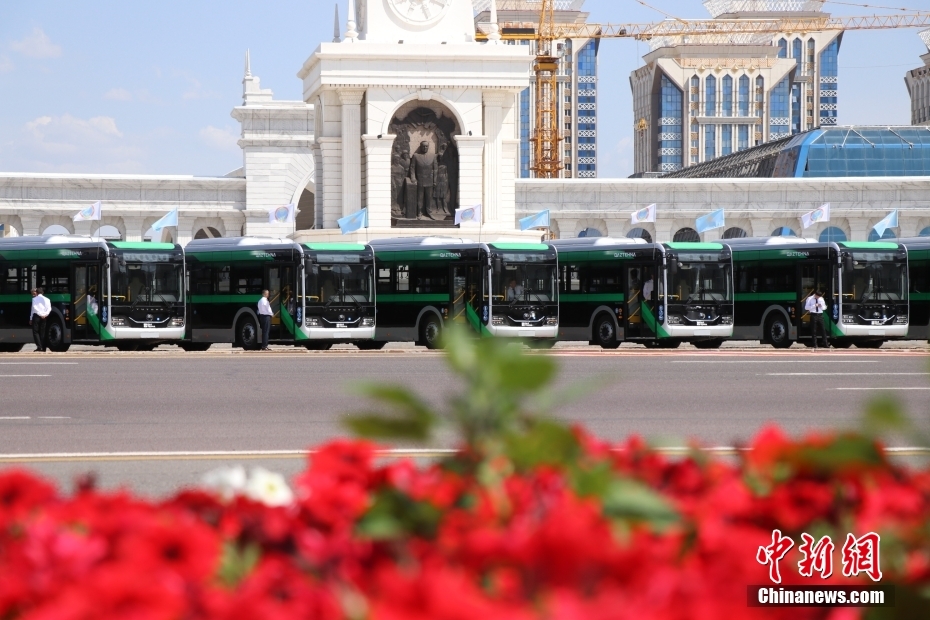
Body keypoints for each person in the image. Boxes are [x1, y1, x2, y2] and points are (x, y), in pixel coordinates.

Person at [30, 287, 52, 352]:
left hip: (37, 316)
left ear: (37, 292)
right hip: (44, 317)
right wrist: (45, 314)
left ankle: (39, 346)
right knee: (43, 332)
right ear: (43, 292)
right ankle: (43, 347)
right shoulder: (47, 299)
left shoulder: (34, 299)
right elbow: (49, 309)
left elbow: (34, 308)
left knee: (35, 331)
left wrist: (39, 314)